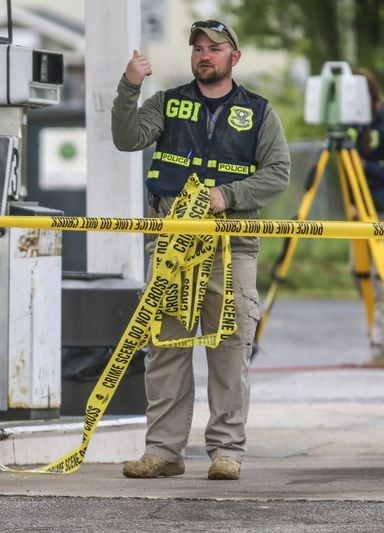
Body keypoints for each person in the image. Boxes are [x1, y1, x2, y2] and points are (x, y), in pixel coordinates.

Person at [111, 19, 290, 480]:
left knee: (230, 347)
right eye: (198, 48)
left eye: (215, 48)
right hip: (171, 248)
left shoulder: (259, 112)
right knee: (165, 348)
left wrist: (226, 197)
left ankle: (226, 451)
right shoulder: (167, 104)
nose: (204, 55)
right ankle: (163, 451)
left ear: (235, 56)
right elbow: (127, 138)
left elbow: (278, 173)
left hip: (232, 249)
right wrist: (129, 87)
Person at [351, 68, 384, 366]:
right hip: (360, 211)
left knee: (381, 279)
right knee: (360, 274)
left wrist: (364, 165)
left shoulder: (381, 121)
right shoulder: (353, 125)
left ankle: (380, 349)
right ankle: (376, 337)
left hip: (381, 210)